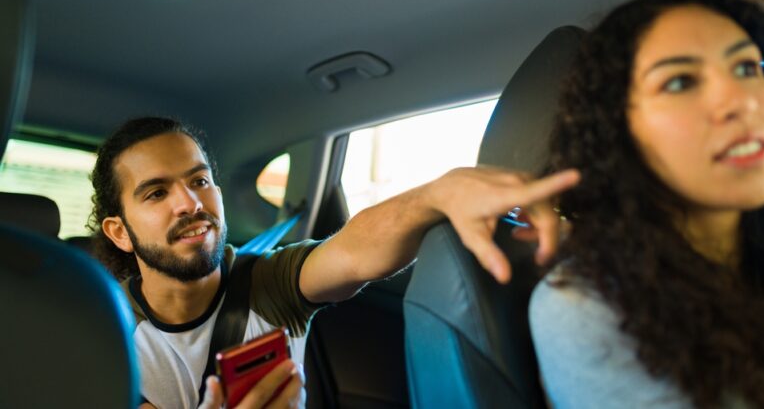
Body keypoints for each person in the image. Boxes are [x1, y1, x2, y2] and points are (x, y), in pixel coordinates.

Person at [89, 116, 580, 409]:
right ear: (118, 231)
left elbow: (352, 250)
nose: (190, 203)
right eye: (156, 193)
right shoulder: (100, 332)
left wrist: (441, 192)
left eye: (199, 181)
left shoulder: (267, 283)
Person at [529, 0, 764, 409]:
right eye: (679, 82)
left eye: (747, 68)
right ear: (619, 133)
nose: (743, 101)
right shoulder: (588, 303)